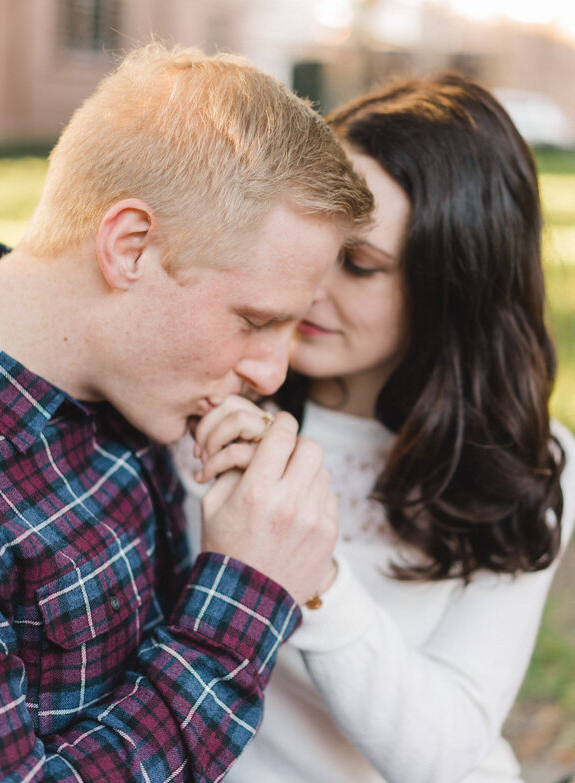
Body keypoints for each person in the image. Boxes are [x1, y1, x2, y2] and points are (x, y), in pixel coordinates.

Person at [0, 43, 374, 782]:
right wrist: (246, 593)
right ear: (130, 247)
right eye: (256, 320)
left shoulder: (140, 391)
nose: (272, 371)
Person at [177, 74, 574, 783]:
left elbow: (448, 751)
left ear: (454, 288)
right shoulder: (208, 396)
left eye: (359, 264)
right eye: (314, 238)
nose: (311, 284)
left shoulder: (533, 466)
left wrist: (313, 570)